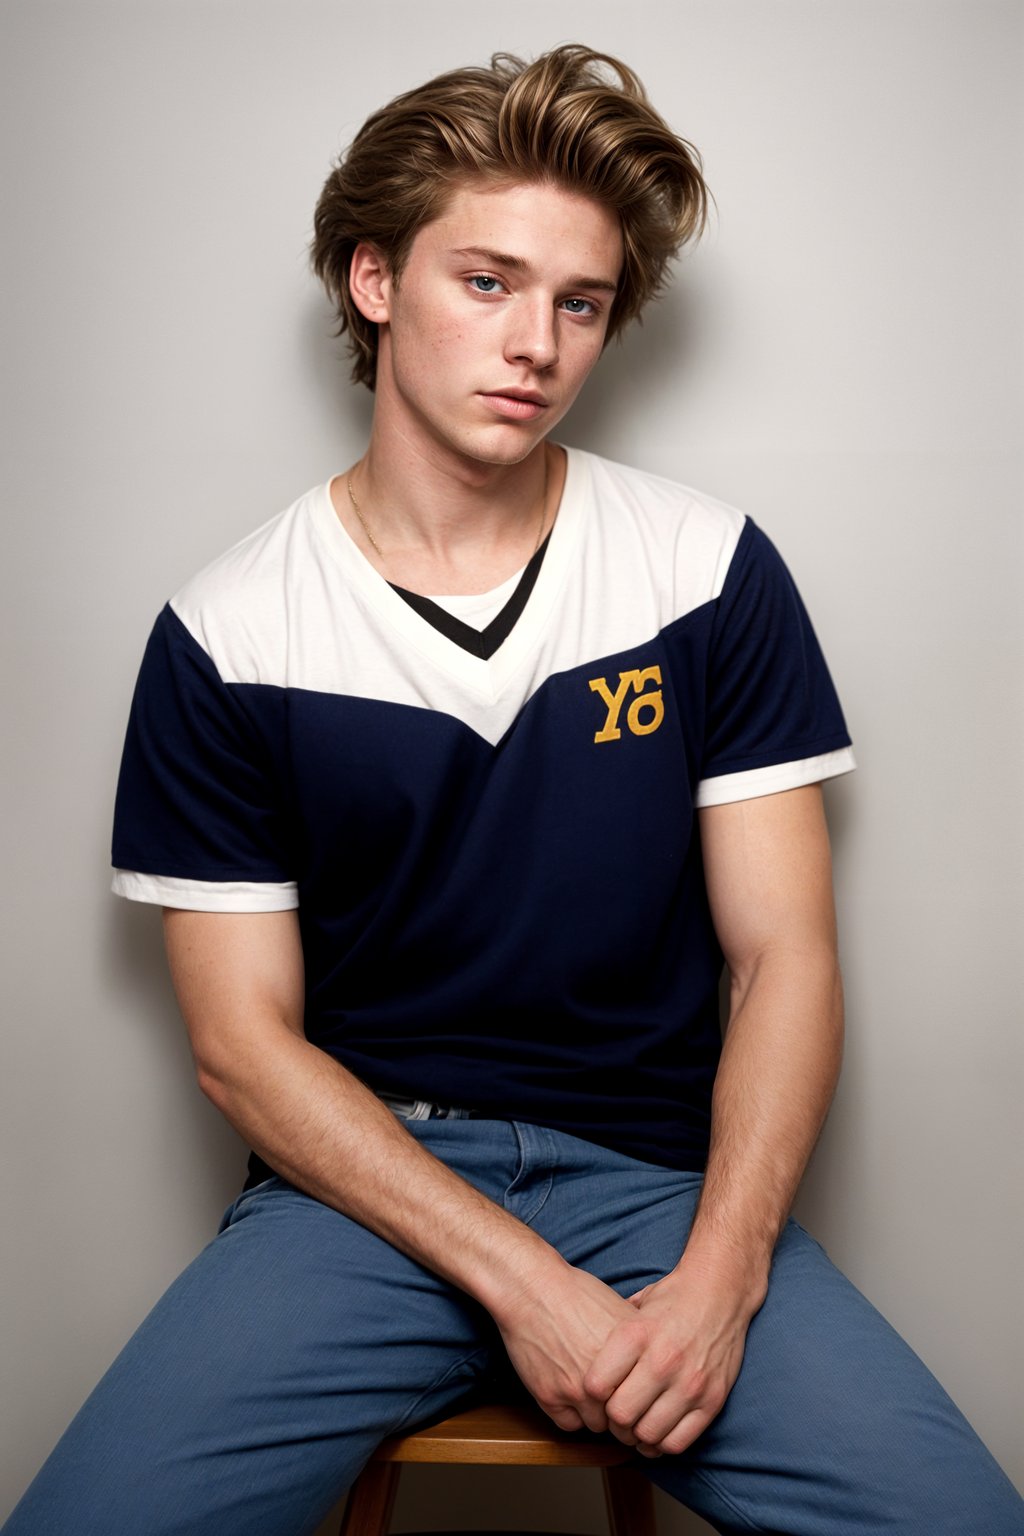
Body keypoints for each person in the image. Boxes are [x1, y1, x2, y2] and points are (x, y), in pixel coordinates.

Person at [5, 43, 1022, 1536]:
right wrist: (522, 1284)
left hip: (663, 1180)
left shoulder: (705, 570)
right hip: (364, 1193)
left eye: (580, 302)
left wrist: (722, 1279)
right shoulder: (228, 631)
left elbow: (784, 958)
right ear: (372, 281)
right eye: (485, 282)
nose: (535, 342)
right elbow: (239, 1049)